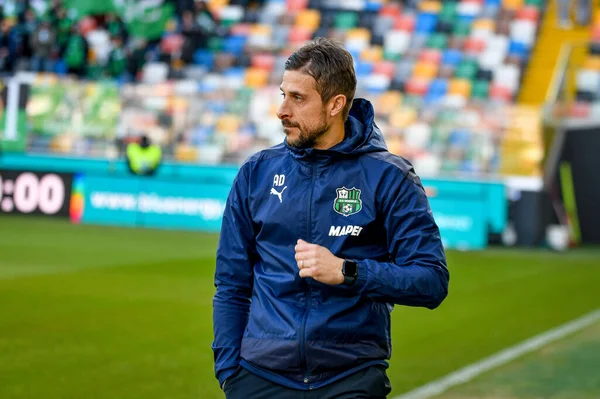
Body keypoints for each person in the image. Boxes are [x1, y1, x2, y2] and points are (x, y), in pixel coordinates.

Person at [212, 37, 449, 399]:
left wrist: (347, 272)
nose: (282, 110)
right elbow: (231, 283)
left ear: (336, 104)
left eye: (298, 98)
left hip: (349, 378)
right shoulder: (255, 173)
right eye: (282, 94)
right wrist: (230, 373)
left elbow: (431, 281)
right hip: (259, 379)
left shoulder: (389, 177)